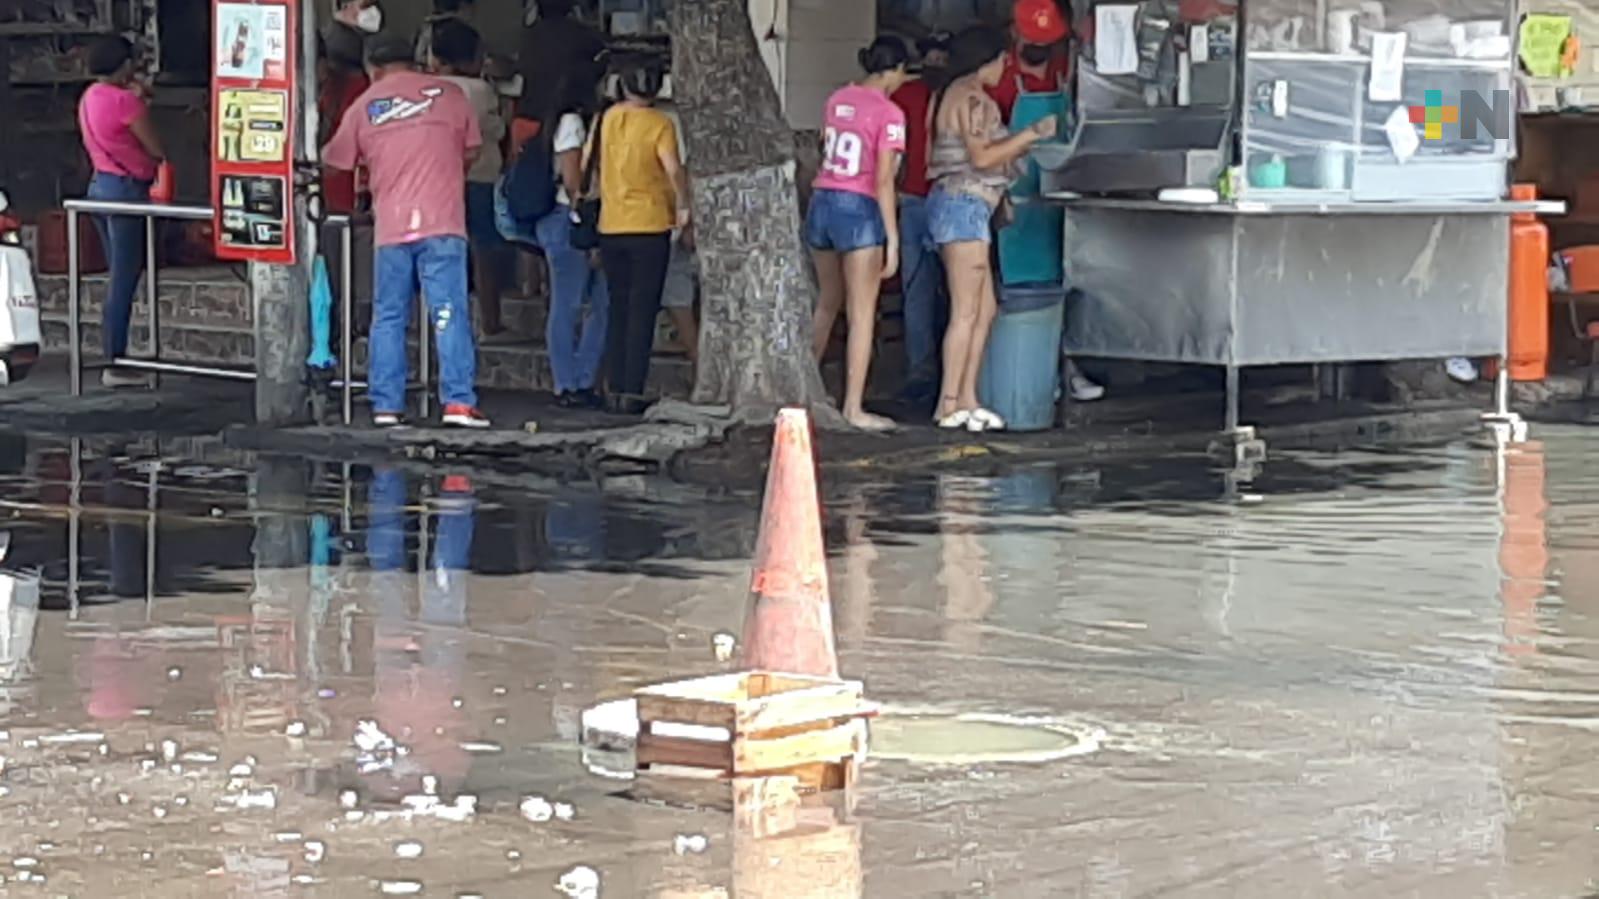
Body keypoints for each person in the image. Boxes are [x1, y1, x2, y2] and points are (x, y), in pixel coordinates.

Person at [323, 33, 490, 429]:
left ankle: (386, 407)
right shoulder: (450, 96)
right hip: (444, 222)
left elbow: (335, 161)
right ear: (416, 62)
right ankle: (459, 404)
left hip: (392, 228)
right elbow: (471, 150)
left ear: (373, 69)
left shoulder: (365, 106)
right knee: (448, 312)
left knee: (389, 316)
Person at [926, 26, 1057, 432]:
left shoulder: (950, 94)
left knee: (985, 308)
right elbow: (982, 158)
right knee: (965, 311)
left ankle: (968, 398)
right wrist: (1031, 135)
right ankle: (948, 404)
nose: (1006, 67)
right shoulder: (971, 98)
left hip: (964, 207)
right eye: (1003, 60)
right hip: (963, 205)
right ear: (989, 59)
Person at [991, 0, 1105, 402]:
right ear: (1015, 35)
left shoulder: (1064, 72)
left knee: (1067, 286)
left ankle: (1069, 369)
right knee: (1022, 295)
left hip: (1058, 198)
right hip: (1017, 204)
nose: (1039, 48)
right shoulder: (1001, 80)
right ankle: (1033, 375)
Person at [806, 38, 913, 432]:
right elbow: (883, 179)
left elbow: (823, 144)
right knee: (862, 314)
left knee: (826, 303)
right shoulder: (890, 113)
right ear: (896, 70)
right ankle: (853, 406)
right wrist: (893, 238)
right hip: (860, 207)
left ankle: (805, 394)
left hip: (823, 199)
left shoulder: (838, 98)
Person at [589, 60, 688, 414]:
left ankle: (612, 386)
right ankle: (632, 390)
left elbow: (593, 166)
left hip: (611, 223)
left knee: (618, 307)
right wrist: (684, 205)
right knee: (642, 311)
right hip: (649, 223)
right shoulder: (660, 124)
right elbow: (672, 168)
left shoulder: (606, 120)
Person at [78, 36, 165, 389]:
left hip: (99, 186)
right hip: (126, 191)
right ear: (123, 65)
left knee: (117, 274)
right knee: (124, 279)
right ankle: (115, 360)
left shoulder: (90, 97)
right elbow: (157, 147)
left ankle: (113, 353)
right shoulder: (126, 102)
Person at [523, 75, 610, 409]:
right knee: (569, 304)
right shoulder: (573, 123)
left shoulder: (568, 123)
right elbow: (574, 181)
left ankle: (581, 379)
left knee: (594, 304)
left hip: (574, 217)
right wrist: (586, 222)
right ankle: (569, 382)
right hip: (569, 218)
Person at [429, 19, 515, 343]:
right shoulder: (480, 90)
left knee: (441, 250)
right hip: (479, 176)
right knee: (485, 249)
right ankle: (490, 321)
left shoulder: (429, 89)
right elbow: (496, 131)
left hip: (439, 179)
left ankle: (437, 319)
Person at [892, 33, 949, 410]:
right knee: (961, 294)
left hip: (913, 198)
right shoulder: (964, 94)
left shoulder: (903, 96)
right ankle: (952, 374)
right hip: (947, 197)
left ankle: (921, 373)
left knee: (918, 291)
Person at [514, 0, 606, 149]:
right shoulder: (582, 34)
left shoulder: (529, 35)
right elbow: (603, 55)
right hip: (569, 118)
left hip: (530, 116)